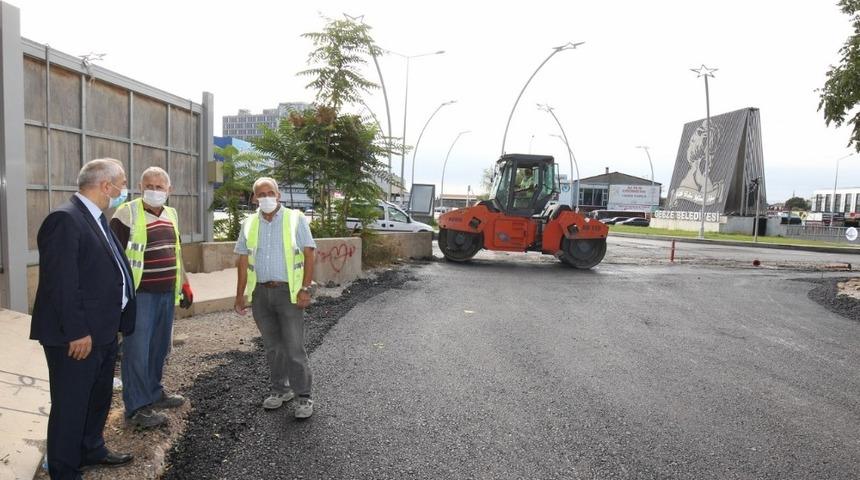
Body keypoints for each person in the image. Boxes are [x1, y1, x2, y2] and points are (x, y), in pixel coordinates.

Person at [30, 158, 136, 479]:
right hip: (76, 336)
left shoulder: (97, 218)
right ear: (106, 186)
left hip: (102, 331)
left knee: (97, 397)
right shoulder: (65, 219)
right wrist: (77, 331)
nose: (124, 190)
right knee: (71, 404)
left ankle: (92, 448)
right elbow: (62, 283)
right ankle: (64, 469)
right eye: (122, 184)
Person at [110, 166, 193, 428]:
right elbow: (113, 256)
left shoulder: (171, 214)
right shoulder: (127, 213)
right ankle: (136, 408)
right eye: (149, 186)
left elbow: (176, 252)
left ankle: (154, 393)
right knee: (137, 351)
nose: (154, 191)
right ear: (140, 187)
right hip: (140, 295)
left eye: (159, 187)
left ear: (169, 190)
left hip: (166, 293)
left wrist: (184, 283)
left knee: (159, 347)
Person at [234, 177, 317, 419]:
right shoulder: (249, 223)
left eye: (270, 192)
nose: (266, 197)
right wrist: (240, 294)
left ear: (278, 195)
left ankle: (303, 396)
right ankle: (280, 390)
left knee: (294, 347)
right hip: (261, 294)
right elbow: (242, 260)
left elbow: (309, 254)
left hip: (288, 292)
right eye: (261, 194)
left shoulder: (295, 219)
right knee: (273, 348)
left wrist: (305, 288)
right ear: (254, 198)